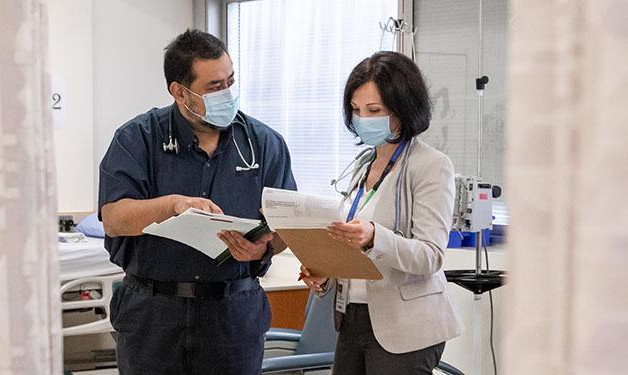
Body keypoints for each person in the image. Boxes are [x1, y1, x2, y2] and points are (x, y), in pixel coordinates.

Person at [98, 29, 297, 374]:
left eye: (230, 81)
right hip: (153, 313)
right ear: (180, 92)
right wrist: (173, 205)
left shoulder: (264, 145)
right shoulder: (138, 138)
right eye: (215, 87)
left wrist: (262, 250)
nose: (227, 94)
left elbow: (287, 228)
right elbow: (115, 217)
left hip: (232, 315)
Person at [299, 51, 463, 374]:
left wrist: (375, 236)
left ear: (403, 109)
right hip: (352, 318)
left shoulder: (430, 166)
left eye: (374, 110)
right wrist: (326, 271)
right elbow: (354, 248)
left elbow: (430, 256)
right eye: (357, 111)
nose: (363, 119)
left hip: (406, 327)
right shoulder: (362, 166)